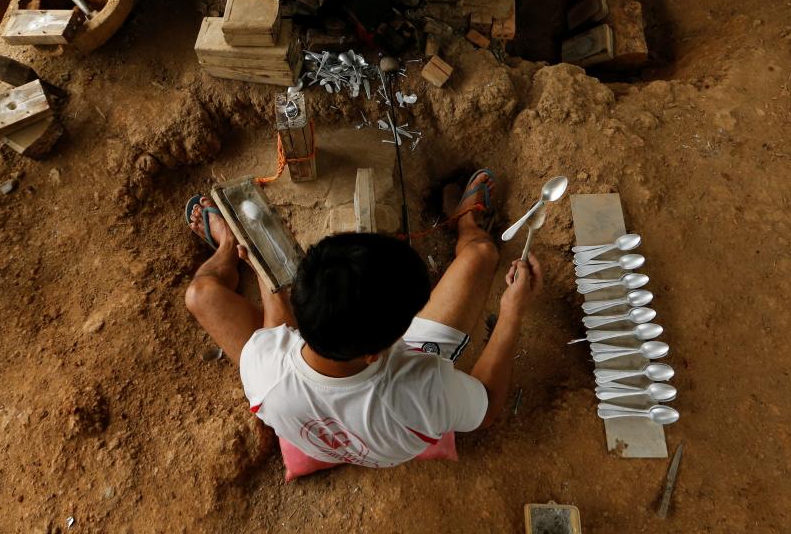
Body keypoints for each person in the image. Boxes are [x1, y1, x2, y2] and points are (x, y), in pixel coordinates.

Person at [184, 171, 542, 469]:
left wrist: (264, 270)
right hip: (386, 427)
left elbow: (276, 326)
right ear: (379, 351)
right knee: (481, 253)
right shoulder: (424, 388)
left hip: (308, 422)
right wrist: (512, 312)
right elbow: (489, 406)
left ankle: (227, 246)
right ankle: (468, 224)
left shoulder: (264, 367)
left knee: (200, 295)